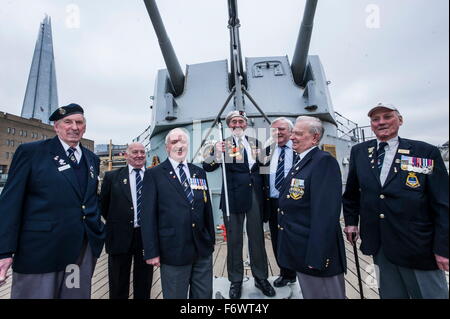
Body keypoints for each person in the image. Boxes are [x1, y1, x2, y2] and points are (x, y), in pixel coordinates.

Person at [343, 103, 449, 299]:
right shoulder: (359, 152)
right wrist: (350, 221)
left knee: (430, 295)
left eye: (387, 117)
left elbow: (442, 203)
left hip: (418, 245)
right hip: (380, 244)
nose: (381, 122)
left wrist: (443, 247)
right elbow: (351, 194)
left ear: (400, 120)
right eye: (375, 119)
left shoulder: (423, 153)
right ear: (371, 125)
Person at [0, 103, 105, 299]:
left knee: (74, 296)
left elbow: (90, 198)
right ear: (56, 126)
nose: (74, 127)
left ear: (85, 127)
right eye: (68, 122)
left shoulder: (92, 159)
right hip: (41, 251)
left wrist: (98, 230)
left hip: (79, 253)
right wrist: (4, 251)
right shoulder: (32, 152)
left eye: (79, 122)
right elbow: (10, 203)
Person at [203, 110, 275, 299]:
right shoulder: (222, 144)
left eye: (240, 121)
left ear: (245, 124)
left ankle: (261, 278)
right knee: (234, 240)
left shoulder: (255, 143)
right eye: (233, 121)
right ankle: (235, 280)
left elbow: (262, 167)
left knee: (257, 238)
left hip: (254, 196)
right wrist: (216, 153)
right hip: (233, 197)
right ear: (229, 125)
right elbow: (207, 166)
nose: (237, 124)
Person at [141, 128, 215, 299]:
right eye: (174, 142)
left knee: (204, 296)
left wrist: (210, 239)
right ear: (167, 147)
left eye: (182, 141)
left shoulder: (199, 172)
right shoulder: (154, 174)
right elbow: (148, 216)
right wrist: (151, 251)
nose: (179, 145)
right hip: (173, 250)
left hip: (202, 249)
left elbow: (206, 208)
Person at [277, 116, 346, 299]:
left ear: (314, 138)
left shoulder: (323, 162)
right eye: (293, 133)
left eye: (298, 134)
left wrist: (316, 257)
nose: (292, 137)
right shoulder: (302, 161)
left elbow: (325, 215)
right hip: (301, 250)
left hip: (316, 255)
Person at [100, 142, 154, 299]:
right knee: (118, 281)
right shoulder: (112, 177)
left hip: (145, 236)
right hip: (119, 236)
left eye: (142, 152)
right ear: (126, 155)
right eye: (135, 152)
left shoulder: (153, 177)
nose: (139, 155)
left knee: (144, 281)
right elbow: (104, 206)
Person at [263, 117, 298, 287]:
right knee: (278, 239)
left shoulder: (300, 149)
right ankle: (287, 273)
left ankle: (304, 272)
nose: (278, 132)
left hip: (295, 202)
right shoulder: (268, 151)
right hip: (274, 202)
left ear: (291, 131)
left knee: (297, 237)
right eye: (275, 130)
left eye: (282, 129)